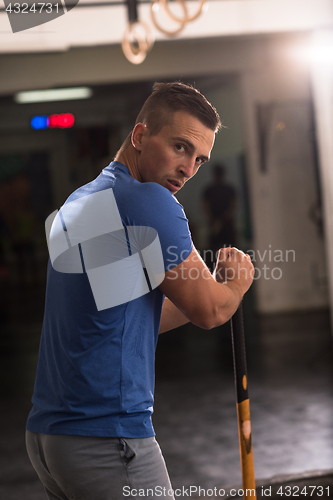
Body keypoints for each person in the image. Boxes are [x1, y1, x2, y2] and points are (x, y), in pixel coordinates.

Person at [25, 82, 254, 500]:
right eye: (181, 147)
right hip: (106, 440)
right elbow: (211, 312)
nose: (189, 169)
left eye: (200, 159)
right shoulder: (150, 200)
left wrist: (212, 288)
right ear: (140, 135)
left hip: (51, 439)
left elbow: (129, 314)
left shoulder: (83, 201)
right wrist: (238, 281)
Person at [202, 164, 238, 270]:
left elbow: (233, 204)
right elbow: (205, 205)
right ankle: (216, 269)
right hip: (215, 222)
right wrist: (213, 219)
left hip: (225, 222)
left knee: (231, 246)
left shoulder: (228, 189)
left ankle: (231, 268)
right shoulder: (209, 190)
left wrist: (224, 218)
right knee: (214, 247)